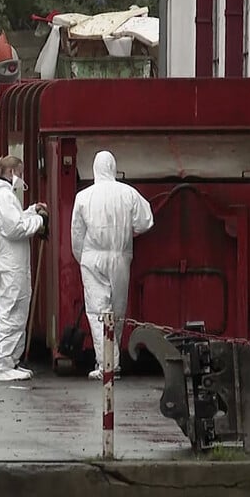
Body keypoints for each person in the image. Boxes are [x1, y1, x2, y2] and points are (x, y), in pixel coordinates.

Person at [70, 150, 154, 380]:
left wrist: (82, 258)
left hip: (92, 256)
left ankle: (108, 362)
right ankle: (111, 361)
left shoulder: (84, 196)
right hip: (120, 256)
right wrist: (129, 232)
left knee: (98, 311)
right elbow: (146, 220)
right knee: (117, 310)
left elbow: (77, 233)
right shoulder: (128, 193)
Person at [0, 156, 48, 382]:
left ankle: (10, 361)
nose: (22, 177)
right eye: (20, 171)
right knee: (10, 312)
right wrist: (38, 221)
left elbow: (13, 221)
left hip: (5, 262)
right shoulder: (3, 197)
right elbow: (15, 229)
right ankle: (2, 364)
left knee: (16, 311)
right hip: (8, 264)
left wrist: (30, 211)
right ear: (11, 172)